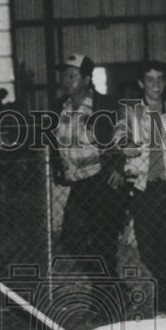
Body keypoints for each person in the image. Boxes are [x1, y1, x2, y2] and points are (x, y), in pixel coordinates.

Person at [114, 60, 166, 317]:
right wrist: (124, 144)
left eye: (160, 79)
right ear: (141, 83)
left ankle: (164, 310)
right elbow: (118, 133)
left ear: (165, 83)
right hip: (143, 190)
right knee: (150, 253)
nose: (155, 85)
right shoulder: (130, 113)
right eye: (149, 80)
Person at [55, 53, 126, 274]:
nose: (66, 80)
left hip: (102, 181)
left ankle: (106, 297)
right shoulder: (61, 107)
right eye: (64, 75)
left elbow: (126, 136)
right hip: (78, 183)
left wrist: (120, 168)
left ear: (86, 80)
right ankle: (110, 286)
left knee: (103, 243)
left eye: (72, 75)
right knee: (71, 238)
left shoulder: (105, 104)